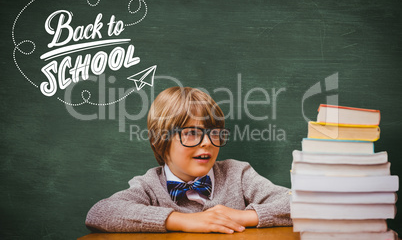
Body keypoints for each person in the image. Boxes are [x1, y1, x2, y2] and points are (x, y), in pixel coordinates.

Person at [85, 86, 292, 234]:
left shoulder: (237, 174)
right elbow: (100, 213)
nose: (207, 142)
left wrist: (244, 216)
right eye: (191, 133)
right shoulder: (149, 185)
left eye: (214, 133)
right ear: (160, 141)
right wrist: (183, 221)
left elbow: (300, 203)